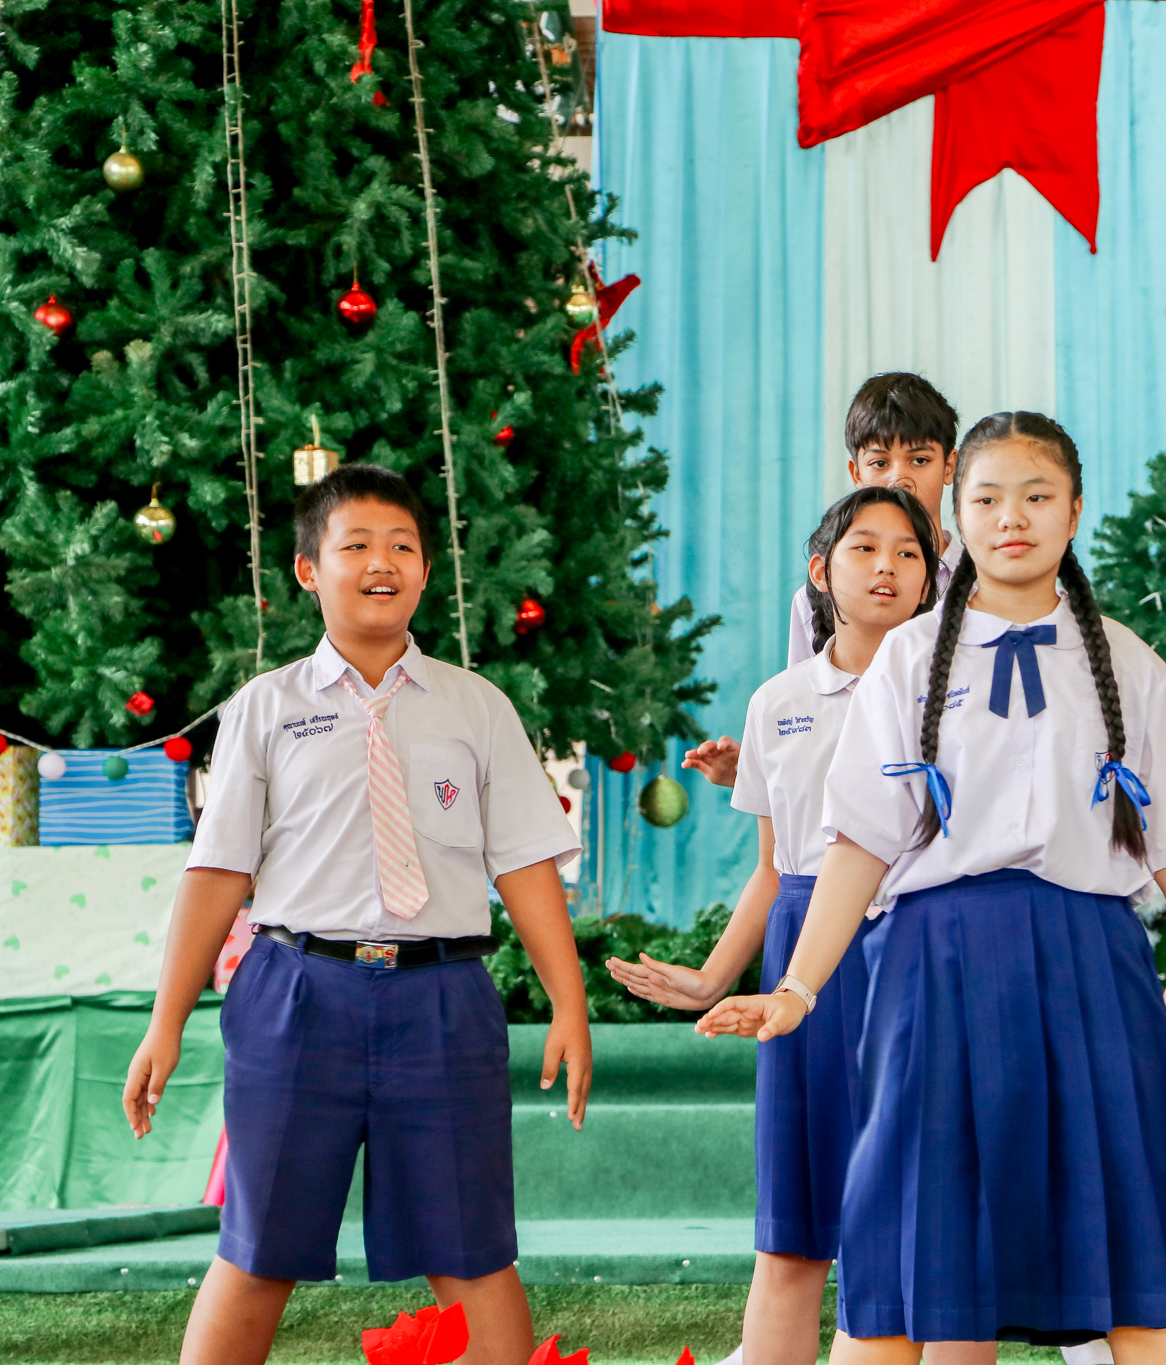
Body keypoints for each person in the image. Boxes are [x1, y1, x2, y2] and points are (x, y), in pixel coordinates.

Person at [696, 411, 1166, 1356]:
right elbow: (857, 847)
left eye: (1037, 496)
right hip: (931, 974)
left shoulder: (1128, 663)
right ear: (958, 519)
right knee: (901, 1281)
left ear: (1074, 510)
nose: (1012, 518)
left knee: (1139, 1281)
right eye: (987, 499)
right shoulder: (907, 659)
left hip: (1094, 970)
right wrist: (798, 988)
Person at [122, 464, 589, 1365]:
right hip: (296, 996)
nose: (383, 562)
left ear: (426, 569)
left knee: (474, 1251)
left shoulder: (476, 706)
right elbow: (217, 875)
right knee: (256, 1251)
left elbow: (526, 865)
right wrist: (164, 1021)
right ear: (309, 569)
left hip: (442, 999)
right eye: (357, 545)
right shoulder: (265, 708)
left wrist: (568, 1003)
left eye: (403, 546)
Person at [607, 488, 992, 1365]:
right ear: (820, 571)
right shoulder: (777, 702)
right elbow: (775, 868)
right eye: (864, 548)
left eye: (908, 552)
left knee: (943, 1224)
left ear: (932, 577)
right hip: (805, 961)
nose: (887, 566)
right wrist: (713, 976)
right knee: (795, 1227)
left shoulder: (960, 691)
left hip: (925, 943)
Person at [684, 372, 965, 789]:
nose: (899, 479)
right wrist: (759, 769)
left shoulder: (986, 586)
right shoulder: (819, 596)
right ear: (856, 471)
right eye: (879, 463)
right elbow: (807, 726)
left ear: (950, 466)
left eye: (919, 460)